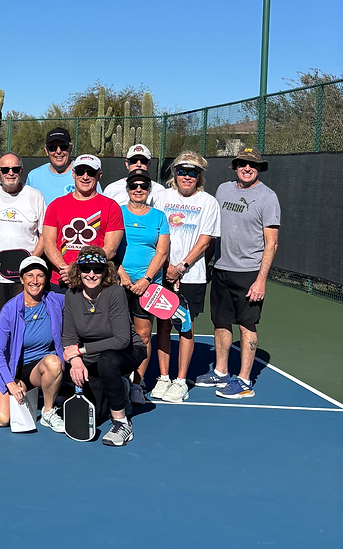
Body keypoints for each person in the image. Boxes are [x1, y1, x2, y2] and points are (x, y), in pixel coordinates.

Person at [195, 149, 280, 399]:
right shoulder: (223, 190)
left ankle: (243, 380)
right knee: (220, 322)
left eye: (252, 165)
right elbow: (214, 231)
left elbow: (271, 243)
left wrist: (260, 281)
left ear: (259, 169)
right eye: (242, 164)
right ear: (235, 167)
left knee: (246, 325)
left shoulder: (268, 197)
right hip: (221, 268)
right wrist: (208, 264)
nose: (247, 168)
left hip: (249, 273)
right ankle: (220, 371)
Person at [150, 151, 220, 403]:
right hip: (162, 273)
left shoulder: (209, 202)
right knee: (164, 325)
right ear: (175, 174)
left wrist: (180, 267)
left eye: (193, 172)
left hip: (191, 276)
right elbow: (156, 232)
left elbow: (204, 242)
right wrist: (165, 266)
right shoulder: (161, 196)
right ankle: (163, 378)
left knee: (186, 327)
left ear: (199, 175)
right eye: (182, 171)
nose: (187, 177)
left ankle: (180, 381)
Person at [62, 248, 144, 446]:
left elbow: (122, 339)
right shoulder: (71, 294)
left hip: (127, 351)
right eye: (86, 269)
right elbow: (68, 337)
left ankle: (122, 423)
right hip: (93, 355)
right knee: (96, 415)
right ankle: (119, 388)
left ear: (105, 271)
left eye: (97, 269)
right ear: (78, 271)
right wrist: (75, 362)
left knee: (108, 361)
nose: (91, 274)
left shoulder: (115, 292)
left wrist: (81, 351)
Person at [0, 255, 65, 430]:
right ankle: (25, 388)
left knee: (54, 363)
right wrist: (11, 383)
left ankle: (47, 411)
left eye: (40, 275)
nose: (35, 281)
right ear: (22, 279)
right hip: (14, 370)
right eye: (30, 275)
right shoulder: (9, 309)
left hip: (41, 367)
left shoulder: (55, 300)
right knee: (2, 419)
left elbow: (83, 303)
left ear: (46, 280)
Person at [115, 169, 171, 407]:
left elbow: (162, 252)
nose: (139, 189)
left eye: (144, 186)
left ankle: (137, 384)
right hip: (117, 282)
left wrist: (146, 280)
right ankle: (116, 381)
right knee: (114, 334)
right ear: (128, 188)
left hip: (147, 286)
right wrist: (122, 275)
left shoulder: (159, 217)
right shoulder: (116, 212)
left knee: (144, 334)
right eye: (134, 185)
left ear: (149, 190)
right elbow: (107, 246)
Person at [0, 154, 47, 316]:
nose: (10, 173)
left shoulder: (35, 197)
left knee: (23, 322)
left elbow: (44, 236)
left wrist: (30, 265)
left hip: (25, 279)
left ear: (21, 172)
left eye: (15, 169)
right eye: (5, 169)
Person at [42, 155, 124, 286]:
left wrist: (79, 271)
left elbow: (111, 249)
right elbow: (48, 244)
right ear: (73, 174)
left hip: (95, 281)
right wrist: (66, 270)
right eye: (80, 172)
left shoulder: (111, 207)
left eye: (91, 172)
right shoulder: (56, 205)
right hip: (62, 279)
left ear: (99, 175)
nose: (85, 177)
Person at [25, 127, 76, 207]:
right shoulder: (34, 176)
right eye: (53, 148)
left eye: (63, 147)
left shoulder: (85, 173)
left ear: (70, 149)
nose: (58, 151)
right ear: (46, 151)